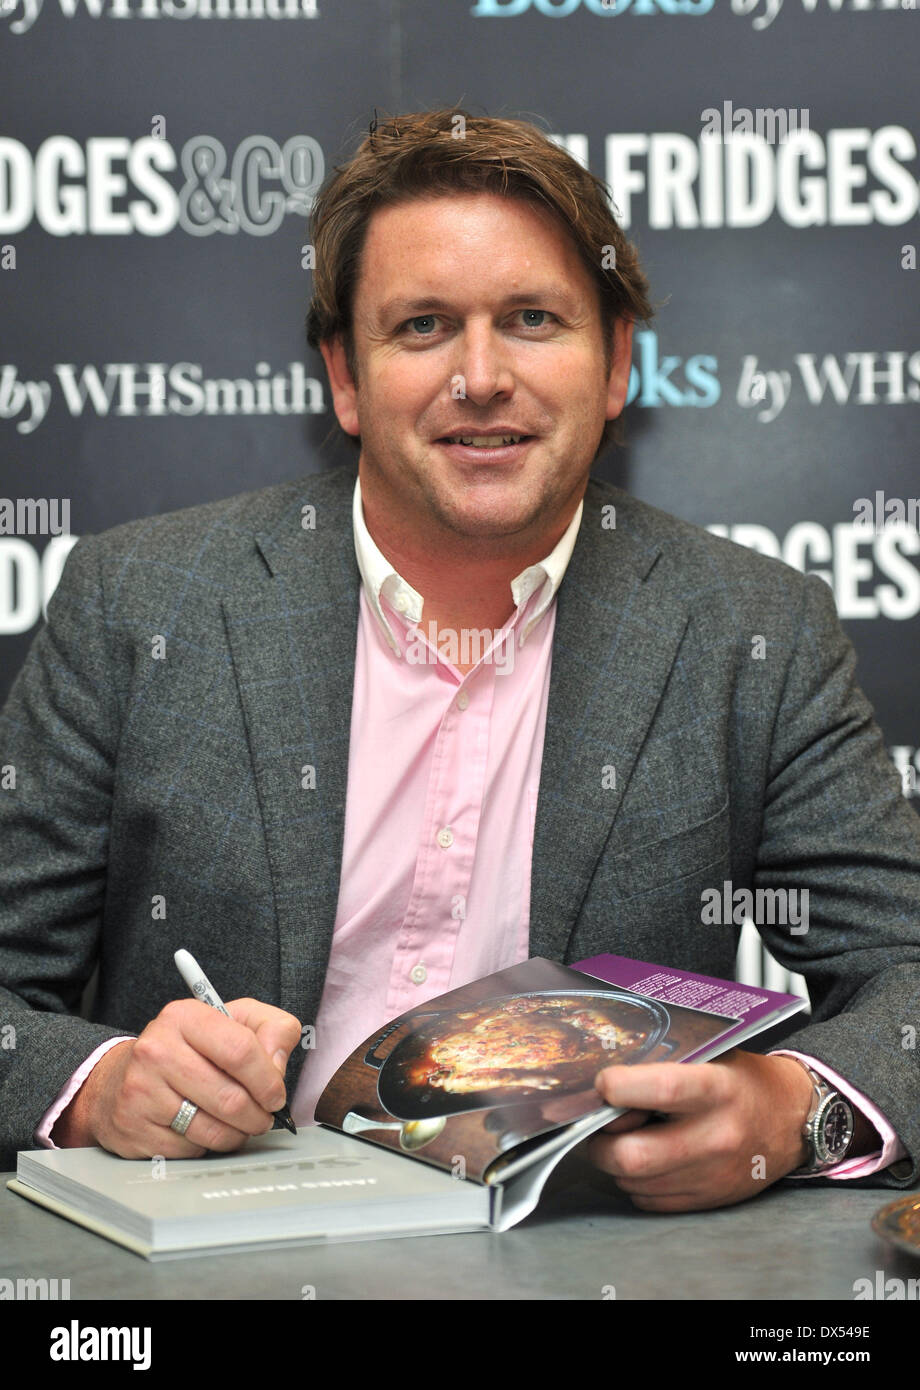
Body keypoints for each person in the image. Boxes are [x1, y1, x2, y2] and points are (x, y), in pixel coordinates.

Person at [1, 110, 918, 1213]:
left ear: (616, 359)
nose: (480, 379)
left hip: (586, 1270)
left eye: (532, 319)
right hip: (218, 1260)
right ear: (343, 376)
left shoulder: (751, 631)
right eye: (423, 326)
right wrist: (102, 1089)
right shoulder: (135, 605)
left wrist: (788, 1106)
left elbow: (902, 973)